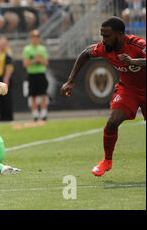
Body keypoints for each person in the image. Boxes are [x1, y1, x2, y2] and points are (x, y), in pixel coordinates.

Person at [60, 17, 146, 176]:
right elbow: (86, 53)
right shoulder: (104, 48)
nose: (103, 40)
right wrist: (70, 81)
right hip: (128, 90)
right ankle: (107, 161)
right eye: (102, 35)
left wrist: (134, 61)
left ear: (120, 35)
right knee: (112, 121)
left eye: (107, 36)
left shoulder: (137, 44)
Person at [22, 30, 49, 122]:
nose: (35, 40)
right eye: (33, 38)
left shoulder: (42, 49)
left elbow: (46, 63)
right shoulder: (27, 49)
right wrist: (34, 60)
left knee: (43, 95)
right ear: (31, 39)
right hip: (32, 75)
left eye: (36, 38)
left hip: (41, 74)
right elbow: (25, 64)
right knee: (32, 95)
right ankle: (35, 115)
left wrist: (40, 60)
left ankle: (44, 114)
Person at [0, 37, 14, 121]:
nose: (0, 46)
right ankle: (2, 116)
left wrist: (6, 79)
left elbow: (8, 67)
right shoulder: (0, 54)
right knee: (0, 99)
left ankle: (8, 117)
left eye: (2, 44)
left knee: (6, 99)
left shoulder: (7, 54)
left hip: (4, 79)